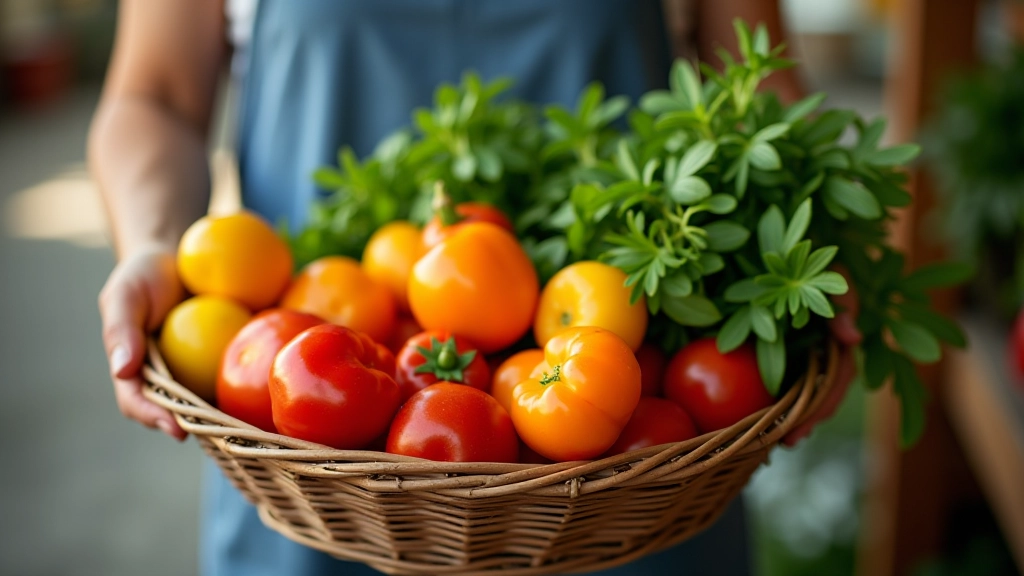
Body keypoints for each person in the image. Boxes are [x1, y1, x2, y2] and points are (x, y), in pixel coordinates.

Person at [91, 1, 859, 574]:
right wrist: (155, 242)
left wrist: (806, 249)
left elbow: (755, 81)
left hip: (634, 481)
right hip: (303, 462)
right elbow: (152, 96)